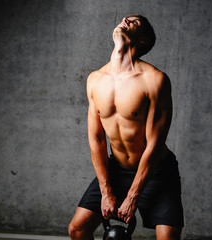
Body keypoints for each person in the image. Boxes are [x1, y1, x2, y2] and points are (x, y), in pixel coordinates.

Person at [68, 14, 184, 240]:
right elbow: (97, 140)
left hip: (157, 171)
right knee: (77, 229)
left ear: (142, 40)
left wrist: (132, 196)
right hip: (117, 170)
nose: (126, 20)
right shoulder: (95, 79)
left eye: (135, 22)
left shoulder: (155, 80)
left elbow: (154, 143)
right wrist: (105, 191)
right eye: (125, 19)